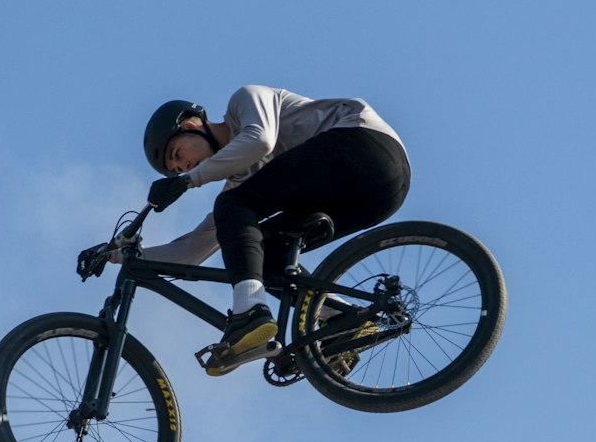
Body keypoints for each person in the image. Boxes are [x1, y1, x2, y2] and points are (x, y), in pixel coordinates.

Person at [139, 86, 411, 373]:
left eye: (177, 154)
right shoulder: (240, 178)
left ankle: (249, 313)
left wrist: (187, 181)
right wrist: (121, 256)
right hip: (382, 196)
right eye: (178, 169)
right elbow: (193, 251)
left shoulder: (244, 100)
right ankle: (346, 319)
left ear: (190, 125)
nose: (184, 165)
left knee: (232, 205)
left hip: (364, 144)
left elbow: (260, 140)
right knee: (262, 253)